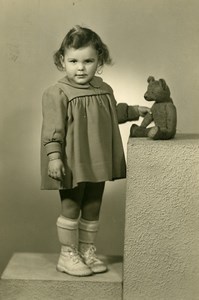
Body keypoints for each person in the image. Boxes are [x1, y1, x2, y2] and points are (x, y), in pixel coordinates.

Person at [41, 25, 150, 277]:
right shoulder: (57, 92)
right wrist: (54, 157)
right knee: (71, 205)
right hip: (73, 161)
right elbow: (52, 129)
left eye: (88, 61)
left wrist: (134, 110)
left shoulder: (104, 89)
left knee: (93, 204)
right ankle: (67, 255)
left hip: (97, 159)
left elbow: (111, 114)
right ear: (62, 60)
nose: (81, 67)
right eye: (73, 61)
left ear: (99, 60)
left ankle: (86, 251)